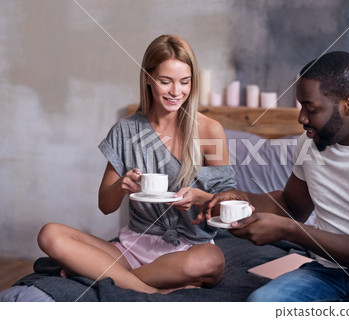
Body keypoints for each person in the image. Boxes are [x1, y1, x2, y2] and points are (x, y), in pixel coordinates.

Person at [201, 51, 349, 302]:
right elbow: (291, 208)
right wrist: (241, 199)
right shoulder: (310, 143)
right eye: (301, 106)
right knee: (260, 304)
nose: (301, 118)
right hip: (328, 271)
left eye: (310, 108)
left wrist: (290, 231)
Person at [37, 34, 236, 294]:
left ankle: (108, 275)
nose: (176, 92)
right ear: (147, 78)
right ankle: (153, 290)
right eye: (165, 81)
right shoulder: (125, 130)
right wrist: (121, 185)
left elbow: (228, 203)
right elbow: (105, 206)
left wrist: (200, 198)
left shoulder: (209, 129)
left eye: (184, 82)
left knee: (211, 260)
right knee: (49, 234)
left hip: (186, 252)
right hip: (133, 248)